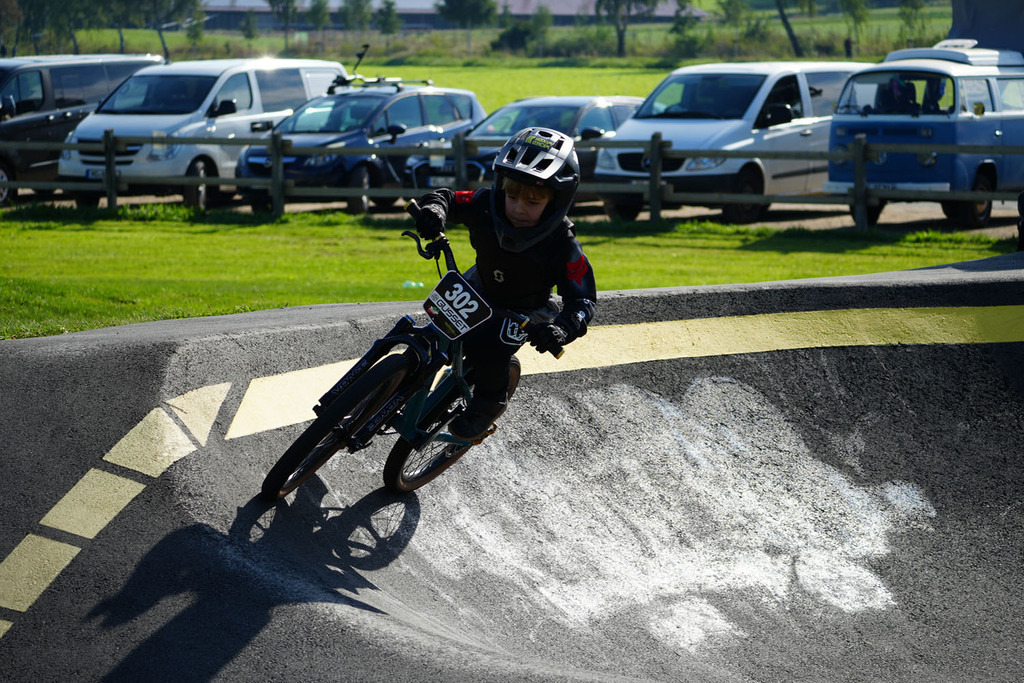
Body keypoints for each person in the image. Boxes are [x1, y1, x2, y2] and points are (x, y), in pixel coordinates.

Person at [413, 126, 597, 442]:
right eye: (512, 196)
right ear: (501, 189)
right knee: (429, 333)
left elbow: (583, 301)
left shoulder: (564, 245)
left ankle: (490, 401)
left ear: (556, 203)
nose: (518, 209)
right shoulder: (487, 203)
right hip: (479, 286)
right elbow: (448, 198)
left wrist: (561, 329)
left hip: (528, 310)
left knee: (492, 347)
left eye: (533, 202)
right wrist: (435, 210)